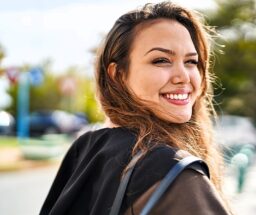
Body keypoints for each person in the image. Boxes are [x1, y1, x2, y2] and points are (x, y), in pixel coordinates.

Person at [40, 2, 233, 215]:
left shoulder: (86, 147)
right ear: (118, 74)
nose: (184, 76)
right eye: (161, 60)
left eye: (191, 61)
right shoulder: (176, 174)